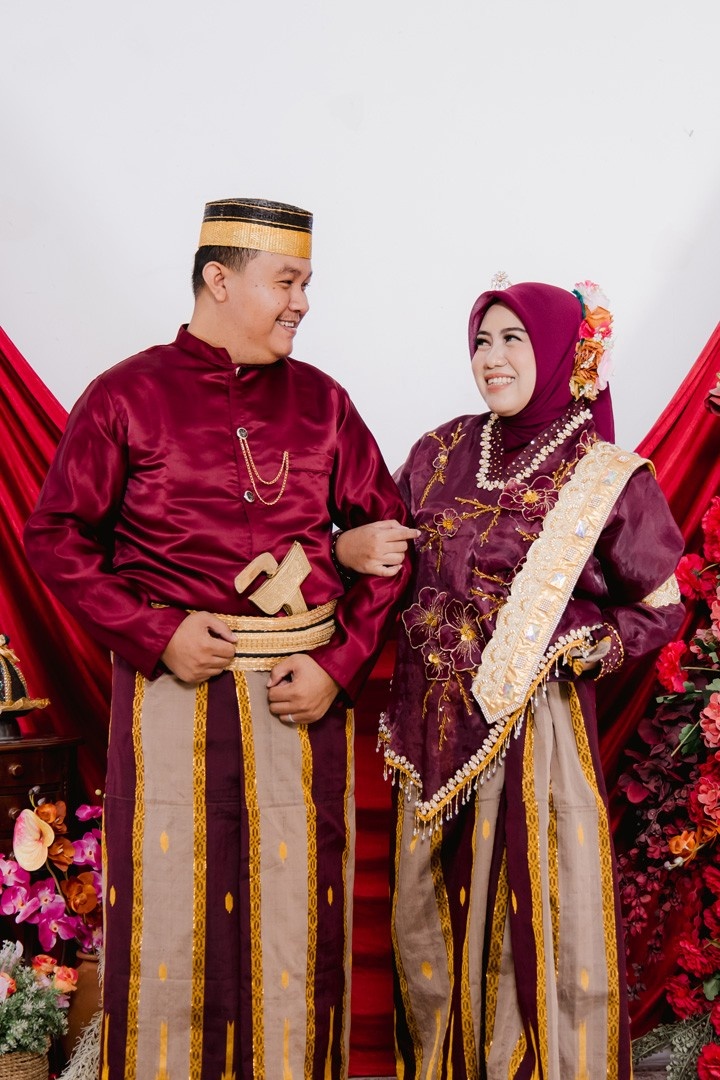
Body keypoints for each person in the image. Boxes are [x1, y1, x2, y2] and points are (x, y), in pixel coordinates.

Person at [24, 197, 412, 1080]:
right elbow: (55, 536)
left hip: (300, 703)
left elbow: (389, 544)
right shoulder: (126, 396)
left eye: (307, 283)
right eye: (287, 281)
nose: (303, 302)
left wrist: (338, 666)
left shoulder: (324, 403)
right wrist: (156, 632)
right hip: (173, 699)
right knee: (170, 915)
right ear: (219, 279)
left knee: (298, 928)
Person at [336, 279, 684, 1079]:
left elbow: (661, 603)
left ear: (560, 351)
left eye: (513, 340)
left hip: (532, 738)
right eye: (481, 342)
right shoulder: (439, 452)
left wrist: (588, 638)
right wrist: (344, 549)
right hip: (424, 736)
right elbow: (385, 559)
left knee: (522, 937)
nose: (491, 358)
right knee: (424, 931)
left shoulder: (606, 475)